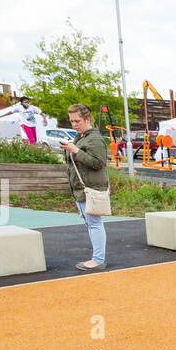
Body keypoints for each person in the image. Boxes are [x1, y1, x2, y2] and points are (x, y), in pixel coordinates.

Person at [59, 103, 110, 271]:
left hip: (91, 188)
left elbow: (99, 162)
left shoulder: (94, 138)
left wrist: (75, 151)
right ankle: (97, 258)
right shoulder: (80, 137)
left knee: (94, 223)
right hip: (83, 187)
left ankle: (98, 259)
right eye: (72, 121)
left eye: (77, 121)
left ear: (87, 119)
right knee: (91, 223)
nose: (74, 124)